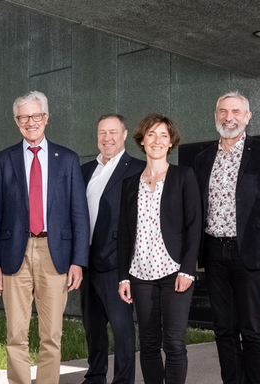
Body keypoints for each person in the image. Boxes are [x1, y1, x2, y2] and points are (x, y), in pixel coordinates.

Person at [0, 90, 90, 384]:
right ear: (16, 121)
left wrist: (78, 261)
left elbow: (79, 215)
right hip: (12, 256)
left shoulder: (67, 159)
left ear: (46, 118)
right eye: (23, 117)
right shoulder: (2, 160)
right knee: (15, 334)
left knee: (52, 335)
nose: (30, 122)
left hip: (55, 253)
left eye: (36, 116)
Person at [193, 92, 260, 384]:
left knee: (250, 328)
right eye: (223, 111)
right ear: (215, 117)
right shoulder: (203, 158)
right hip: (213, 251)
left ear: (247, 117)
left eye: (236, 111)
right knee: (223, 328)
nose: (229, 117)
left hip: (248, 253)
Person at [117, 113, 201, 384]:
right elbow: (124, 234)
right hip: (140, 274)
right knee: (149, 343)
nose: (157, 140)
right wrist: (123, 276)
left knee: (174, 343)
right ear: (141, 140)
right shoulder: (130, 184)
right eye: (151, 134)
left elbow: (194, 226)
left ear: (171, 142)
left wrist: (188, 270)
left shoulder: (183, 176)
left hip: (174, 272)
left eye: (163, 135)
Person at [80, 113, 144, 384]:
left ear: (125, 135)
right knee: (92, 327)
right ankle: (95, 376)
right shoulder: (84, 170)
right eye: (102, 133)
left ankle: (123, 380)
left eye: (113, 132)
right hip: (85, 260)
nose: (107, 138)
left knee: (122, 329)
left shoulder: (138, 169)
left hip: (118, 261)